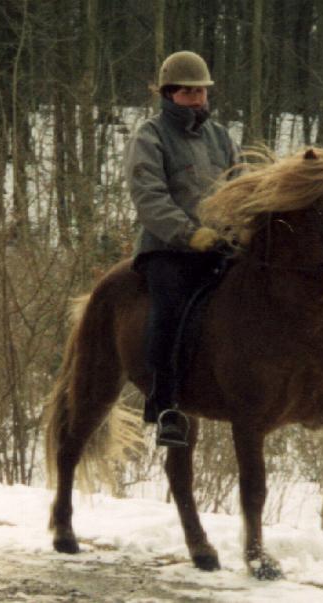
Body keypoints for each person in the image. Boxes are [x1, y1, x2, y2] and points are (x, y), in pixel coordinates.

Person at [124, 51, 239, 447]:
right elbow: (149, 196)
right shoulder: (150, 136)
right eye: (188, 91)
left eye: (201, 91)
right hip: (167, 250)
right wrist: (188, 234)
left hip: (219, 246)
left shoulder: (221, 136)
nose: (196, 98)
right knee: (170, 310)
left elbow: (241, 186)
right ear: (169, 93)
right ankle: (166, 406)